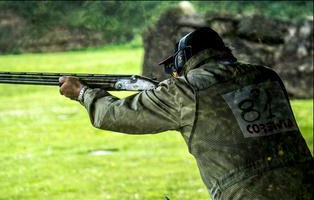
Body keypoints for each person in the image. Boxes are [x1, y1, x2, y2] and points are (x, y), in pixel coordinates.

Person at [59, 27, 313, 200]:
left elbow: (114, 114)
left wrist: (82, 92)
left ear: (184, 59)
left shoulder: (185, 89)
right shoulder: (267, 76)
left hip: (248, 193)